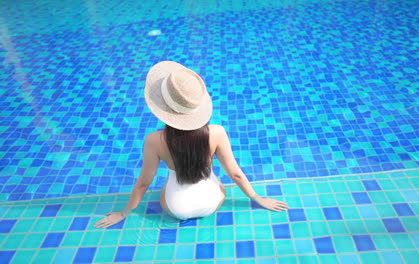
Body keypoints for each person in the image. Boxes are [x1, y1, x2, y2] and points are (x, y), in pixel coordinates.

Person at [95, 61, 288, 228]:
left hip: (175, 208)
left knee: (168, 180)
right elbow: (236, 174)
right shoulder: (217, 132)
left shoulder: (154, 140)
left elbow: (143, 184)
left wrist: (123, 213)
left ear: (163, 108)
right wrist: (258, 199)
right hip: (213, 203)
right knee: (213, 177)